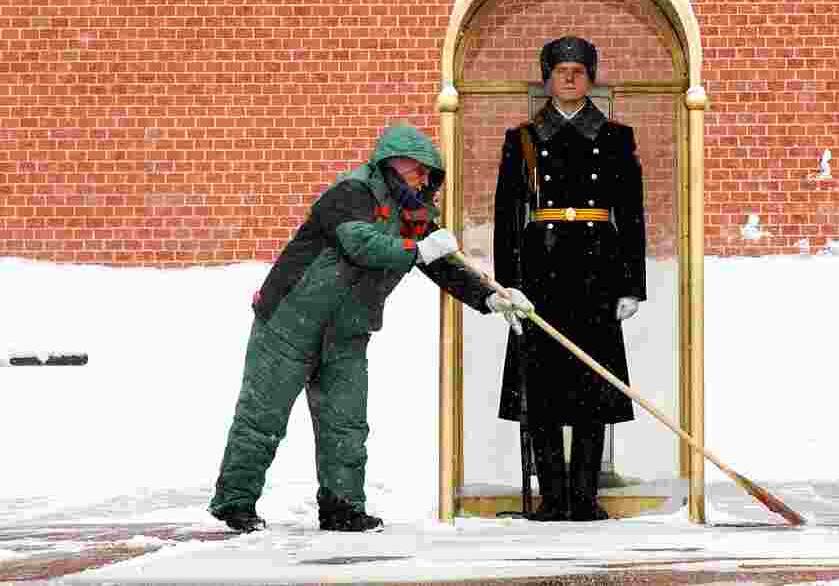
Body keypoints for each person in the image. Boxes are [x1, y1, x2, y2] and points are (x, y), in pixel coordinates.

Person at [209, 122, 534, 533]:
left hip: (347, 332)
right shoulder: (349, 193)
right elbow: (360, 243)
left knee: (345, 423)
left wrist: (491, 296)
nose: (418, 177)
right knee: (263, 417)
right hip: (289, 323)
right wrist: (416, 249)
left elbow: (447, 268)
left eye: (424, 171)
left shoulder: (414, 217)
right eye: (410, 168)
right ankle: (235, 503)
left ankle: (342, 507)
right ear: (386, 164)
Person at [493, 36, 647, 522]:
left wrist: (631, 285)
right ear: (546, 78)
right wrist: (505, 285)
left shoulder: (617, 138)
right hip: (540, 269)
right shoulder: (523, 139)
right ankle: (551, 496)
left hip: (598, 269)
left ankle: (584, 495)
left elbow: (632, 215)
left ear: (592, 77)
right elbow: (506, 217)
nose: (570, 77)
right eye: (560, 70)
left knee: (592, 383)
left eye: (579, 70)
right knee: (541, 388)